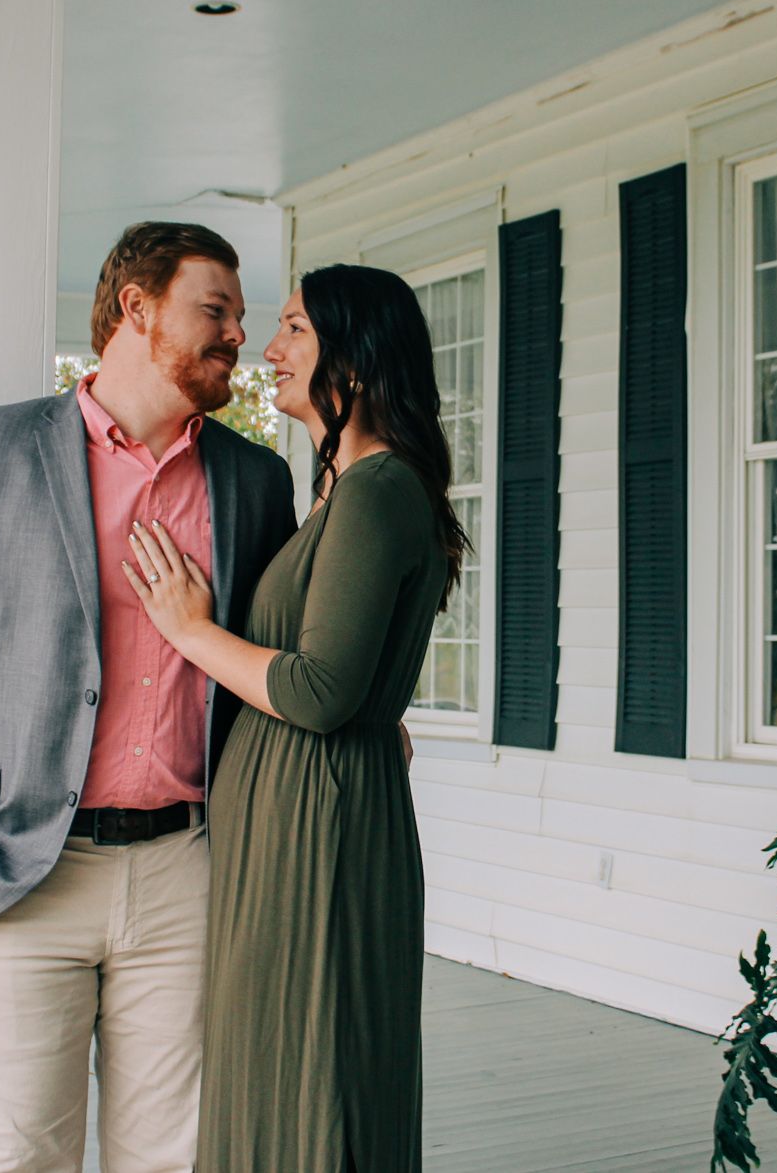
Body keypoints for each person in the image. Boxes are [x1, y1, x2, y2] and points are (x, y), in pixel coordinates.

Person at [0, 222, 296, 1173]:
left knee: (178, 1162)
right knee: (17, 1160)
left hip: (188, 872)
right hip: (9, 872)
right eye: (213, 309)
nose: (235, 336)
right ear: (136, 309)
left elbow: (274, 662)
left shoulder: (256, 481)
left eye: (240, 316)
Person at [124, 263, 466, 1172]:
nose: (267, 350)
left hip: (319, 833)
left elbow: (318, 689)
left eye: (294, 329)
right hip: (295, 821)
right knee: (277, 1075)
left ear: (352, 358)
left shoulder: (377, 489)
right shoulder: (341, 489)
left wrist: (190, 631)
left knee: (318, 1081)